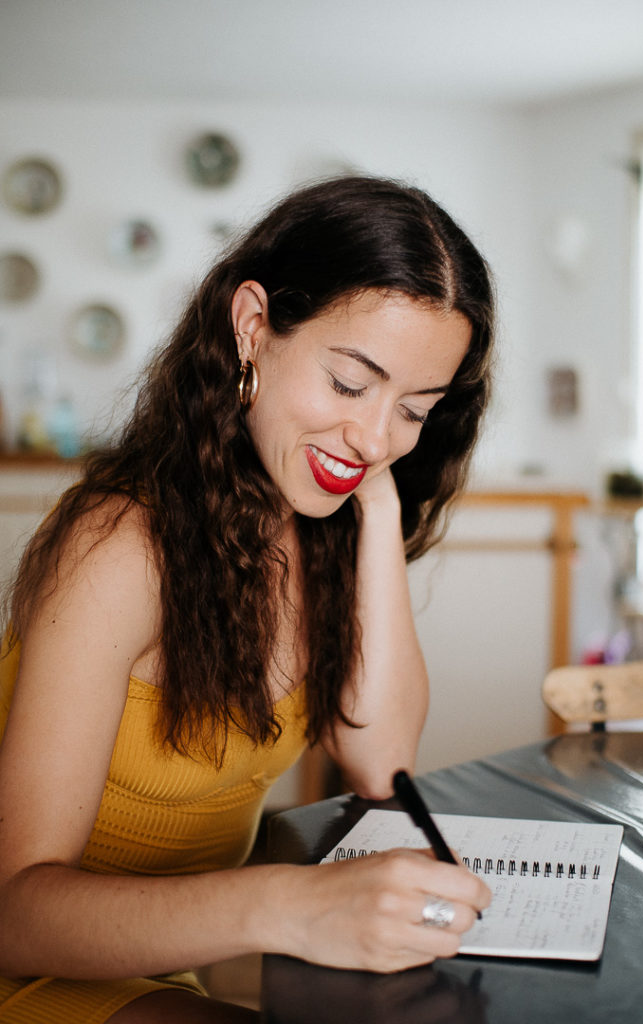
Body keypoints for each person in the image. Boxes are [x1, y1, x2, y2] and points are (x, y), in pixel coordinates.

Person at [0, 175, 494, 1023]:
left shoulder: (324, 509)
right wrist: (292, 909)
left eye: (414, 409)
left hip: (153, 975)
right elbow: (14, 919)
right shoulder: (119, 546)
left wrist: (373, 504)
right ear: (253, 327)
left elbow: (379, 762)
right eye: (348, 384)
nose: (375, 437)